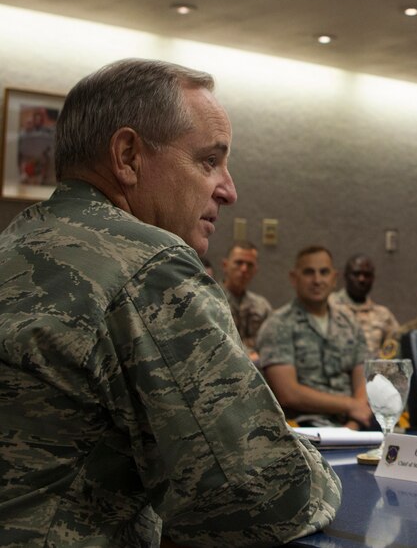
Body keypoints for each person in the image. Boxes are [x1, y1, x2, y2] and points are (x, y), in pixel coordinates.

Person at [0, 59, 340, 547]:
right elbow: (262, 497)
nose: (229, 190)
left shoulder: (15, 242)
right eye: (209, 161)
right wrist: (317, 471)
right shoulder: (148, 264)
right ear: (128, 156)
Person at [257, 245, 373, 430]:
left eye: (324, 272)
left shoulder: (350, 322)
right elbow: (288, 394)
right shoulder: (278, 325)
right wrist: (350, 406)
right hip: (305, 430)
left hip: (356, 423)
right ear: (294, 278)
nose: (317, 280)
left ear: (334, 278)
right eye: (309, 272)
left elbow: (364, 376)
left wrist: (354, 424)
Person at [330, 253, 399, 355]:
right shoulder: (329, 305)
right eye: (356, 274)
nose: (361, 279)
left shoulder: (383, 314)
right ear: (346, 276)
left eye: (367, 275)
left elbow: (395, 347)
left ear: (373, 278)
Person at [222, 240, 273, 363]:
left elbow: (272, 342)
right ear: (225, 265)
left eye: (250, 265)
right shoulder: (211, 300)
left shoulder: (262, 306)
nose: (244, 269)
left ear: (256, 269)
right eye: (238, 263)